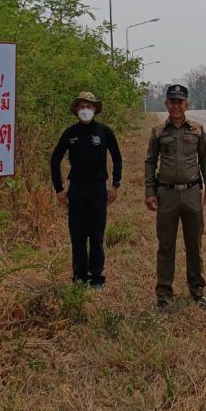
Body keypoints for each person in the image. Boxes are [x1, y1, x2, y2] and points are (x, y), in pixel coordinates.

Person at [144, 83, 206, 310]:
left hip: (192, 193)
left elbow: (205, 160)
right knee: (166, 245)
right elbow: (150, 162)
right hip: (167, 194)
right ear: (166, 104)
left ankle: (197, 290)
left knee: (194, 244)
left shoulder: (197, 130)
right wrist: (149, 192)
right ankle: (164, 294)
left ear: (186, 105)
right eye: (172, 102)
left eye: (180, 102)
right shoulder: (158, 131)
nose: (176, 106)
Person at [50, 91, 122, 288]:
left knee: (97, 234)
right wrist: (59, 189)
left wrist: (115, 185)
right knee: (78, 235)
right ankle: (79, 276)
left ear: (95, 109)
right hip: (76, 191)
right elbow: (55, 160)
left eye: (89, 106)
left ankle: (96, 276)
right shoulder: (70, 133)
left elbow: (117, 158)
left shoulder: (104, 132)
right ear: (76, 110)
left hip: (98, 190)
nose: (85, 110)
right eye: (81, 107)